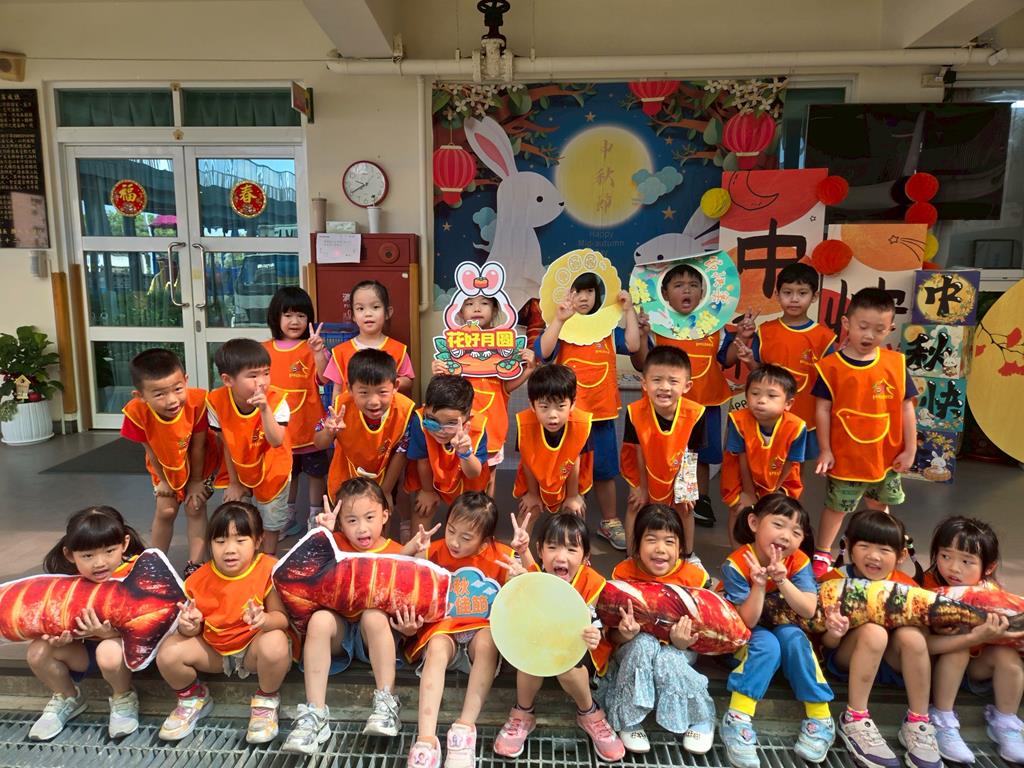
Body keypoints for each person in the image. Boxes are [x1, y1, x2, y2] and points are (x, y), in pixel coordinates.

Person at [282, 478, 430, 755]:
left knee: (373, 615)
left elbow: (413, 600)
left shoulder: (396, 551)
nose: (361, 528)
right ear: (340, 523)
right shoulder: (333, 545)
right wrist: (320, 535)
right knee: (319, 620)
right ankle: (315, 714)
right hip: (339, 631)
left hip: (374, 636)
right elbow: (300, 573)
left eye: (369, 518)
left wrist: (409, 629)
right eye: (351, 520)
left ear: (385, 515)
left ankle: (386, 703)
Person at [404, 492, 529, 768]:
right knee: (436, 646)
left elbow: (531, 597)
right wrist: (415, 556)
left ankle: (464, 729)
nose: (454, 542)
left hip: (479, 634)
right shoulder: (433, 550)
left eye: (466, 537)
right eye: (451, 531)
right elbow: (400, 576)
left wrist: (518, 579)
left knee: (487, 640)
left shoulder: (504, 558)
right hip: (444, 631)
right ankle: (425, 740)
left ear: (485, 541)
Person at [156, 502, 292, 744]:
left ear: (258, 541)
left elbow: (281, 619)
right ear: (210, 543)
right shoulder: (198, 579)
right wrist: (189, 626)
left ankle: (266, 699)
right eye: (220, 541)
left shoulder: (268, 569)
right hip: (214, 653)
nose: (229, 550)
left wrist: (264, 620)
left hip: (253, 650)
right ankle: (193, 697)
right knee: (167, 653)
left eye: (240, 540)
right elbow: (193, 629)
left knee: (276, 642)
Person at [493, 513, 625, 763]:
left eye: (571, 549)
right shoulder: (534, 576)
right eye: (552, 547)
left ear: (585, 557)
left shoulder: (592, 582)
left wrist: (594, 635)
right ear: (540, 551)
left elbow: (596, 627)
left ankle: (589, 713)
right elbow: (525, 595)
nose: (561, 557)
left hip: (576, 653)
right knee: (528, 658)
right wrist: (519, 573)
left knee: (567, 667)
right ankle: (523, 713)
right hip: (539, 649)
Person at [635, 262, 758, 530]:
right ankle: (661, 497)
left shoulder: (713, 326)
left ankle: (699, 499)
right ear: (665, 294)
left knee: (698, 455)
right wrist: (642, 336)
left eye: (693, 285)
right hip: (667, 408)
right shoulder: (658, 325)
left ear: (703, 292)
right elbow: (642, 363)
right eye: (678, 285)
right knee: (665, 453)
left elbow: (727, 359)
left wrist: (743, 337)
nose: (687, 290)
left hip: (705, 404)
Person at [819, 510, 940, 768]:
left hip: (891, 662)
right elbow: (825, 645)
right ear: (849, 547)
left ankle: (918, 722)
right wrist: (834, 632)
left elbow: (925, 641)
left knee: (913, 636)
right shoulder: (834, 582)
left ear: (901, 555)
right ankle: (854, 718)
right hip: (848, 658)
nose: (873, 556)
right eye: (864, 546)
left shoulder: (907, 586)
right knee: (874, 632)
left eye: (884, 549)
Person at [720, 494, 834, 768]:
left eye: (796, 532)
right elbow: (747, 622)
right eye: (779, 524)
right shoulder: (736, 564)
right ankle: (737, 718)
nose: (786, 536)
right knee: (768, 643)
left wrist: (782, 580)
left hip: (783, 627)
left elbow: (808, 608)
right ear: (754, 523)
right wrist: (759, 584)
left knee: (793, 637)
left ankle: (820, 716)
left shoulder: (799, 561)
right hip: (745, 637)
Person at [811, 287, 917, 578]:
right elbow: (822, 410)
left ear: (891, 328)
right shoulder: (830, 367)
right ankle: (822, 553)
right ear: (847, 323)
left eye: (879, 329)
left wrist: (910, 449)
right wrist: (825, 450)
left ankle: (885, 547)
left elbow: (907, 408)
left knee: (879, 505)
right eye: (863, 326)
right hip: (845, 455)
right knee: (837, 506)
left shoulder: (896, 364)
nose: (869, 335)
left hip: (885, 456)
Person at [596, 503, 716, 756]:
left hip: (679, 649)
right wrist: (624, 634)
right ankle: (628, 718)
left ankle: (701, 716)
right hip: (633, 647)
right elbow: (610, 633)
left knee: (668, 657)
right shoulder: (623, 574)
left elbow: (707, 631)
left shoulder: (695, 578)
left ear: (680, 547)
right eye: (651, 540)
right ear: (637, 545)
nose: (660, 549)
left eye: (669, 541)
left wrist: (684, 642)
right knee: (643, 644)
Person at [537, 272, 641, 550]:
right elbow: (543, 352)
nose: (583, 297)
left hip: (601, 414)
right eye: (577, 291)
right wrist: (559, 320)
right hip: (568, 418)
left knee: (605, 470)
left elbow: (633, 345)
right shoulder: (562, 326)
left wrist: (628, 311)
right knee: (565, 469)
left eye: (589, 291)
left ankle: (609, 521)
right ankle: (564, 522)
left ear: (598, 295)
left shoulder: (607, 329)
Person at [27, 507, 146, 741]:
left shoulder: (138, 574)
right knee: (38, 651)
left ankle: (123, 697)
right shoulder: (65, 583)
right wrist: (59, 636)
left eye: (109, 551)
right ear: (70, 554)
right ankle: (68, 697)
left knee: (108, 651)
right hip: (84, 652)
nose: (100, 563)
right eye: (88, 556)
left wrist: (109, 634)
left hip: (126, 653)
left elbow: (150, 629)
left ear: (124, 544)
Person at [922, 516, 1024, 765]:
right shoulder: (925, 588)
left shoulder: (993, 595)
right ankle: (943, 720)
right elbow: (920, 644)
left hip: (977, 668)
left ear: (988, 567)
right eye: (945, 556)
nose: (954, 568)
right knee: (959, 647)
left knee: (1008, 658)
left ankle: (1006, 724)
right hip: (933, 666)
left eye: (966, 561)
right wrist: (970, 636)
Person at [121, 348, 217, 575]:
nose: (172, 400)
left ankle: (196, 565)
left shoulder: (197, 402)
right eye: (159, 394)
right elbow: (151, 452)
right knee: (166, 510)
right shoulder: (136, 413)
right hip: (164, 465)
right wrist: (163, 481)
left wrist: (195, 481)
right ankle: (156, 562)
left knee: (195, 506)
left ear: (186, 380)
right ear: (140, 395)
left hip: (201, 463)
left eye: (177, 389)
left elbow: (199, 446)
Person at [431, 291, 535, 497]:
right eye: (469, 303)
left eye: (484, 303)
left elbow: (505, 387)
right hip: (460, 429)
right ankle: (461, 515)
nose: (477, 308)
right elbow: (444, 389)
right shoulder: (454, 346)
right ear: (459, 311)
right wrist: (438, 371)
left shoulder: (503, 345)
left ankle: (487, 515)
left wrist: (529, 369)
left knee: (489, 477)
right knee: (460, 475)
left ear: (495, 309)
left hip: (493, 426)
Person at [738, 262, 835, 462]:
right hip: (768, 415)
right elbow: (759, 373)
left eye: (802, 293)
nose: (794, 299)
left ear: (814, 296)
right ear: (777, 294)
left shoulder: (824, 338)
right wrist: (749, 361)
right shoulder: (765, 331)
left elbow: (830, 383)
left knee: (797, 465)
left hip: (805, 415)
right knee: (764, 462)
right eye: (787, 292)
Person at [207, 339, 291, 554]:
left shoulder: (277, 400)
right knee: (237, 514)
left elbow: (276, 440)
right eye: (253, 376)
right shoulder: (216, 401)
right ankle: (245, 558)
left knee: (271, 520)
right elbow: (226, 444)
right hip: (240, 468)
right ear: (228, 380)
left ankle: (269, 558)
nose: (262, 382)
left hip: (273, 470)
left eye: (266, 373)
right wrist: (234, 482)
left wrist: (264, 410)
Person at [621, 345, 705, 561]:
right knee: (635, 504)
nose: (664, 387)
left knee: (685, 508)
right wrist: (640, 487)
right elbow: (636, 451)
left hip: (678, 469)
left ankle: (688, 555)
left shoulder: (696, 413)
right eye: (657, 380)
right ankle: (631, 556)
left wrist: (685, 488)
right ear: (644, 383)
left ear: (687, 386)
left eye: (673, 381)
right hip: (644, 467)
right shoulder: (634, 412)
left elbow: (690, 454)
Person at [263, 286, 328, 536]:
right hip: (280, 429)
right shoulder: (264, 350)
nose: (295, 321)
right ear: (275, 317)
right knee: (286, 473)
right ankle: (286, 516)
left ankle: (315, 516)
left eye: (301, 315)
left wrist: (318, 352)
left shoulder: (313, 348)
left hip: (310, 426)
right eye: (288, 315)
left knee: (316, 473)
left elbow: (325, 378)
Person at [315, 349, 415, 509]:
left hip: (383, 476)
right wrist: (328, 432)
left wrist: (386, 490)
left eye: (382, 392)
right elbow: (319, 443)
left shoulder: (404, 411)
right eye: (364, 392)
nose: (373, 401)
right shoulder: (340, 407)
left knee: (377, 515)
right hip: (344, 475)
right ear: (350, 388)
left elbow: (401, 452)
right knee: (344, 516)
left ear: (396, 386)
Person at [720, 365, 807, 547]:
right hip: (743, 475)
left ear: (788, 403)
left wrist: (775, 490)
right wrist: (748, 492)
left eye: (771, 396)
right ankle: (737, 555)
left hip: (781, 478)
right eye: (755, 393)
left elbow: (791, 462)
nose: (761, 400)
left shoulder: (797, 427)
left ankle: (769, 553)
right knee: (739, 509)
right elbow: (741, 457)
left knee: (777, 513)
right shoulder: (738, 420)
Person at [512, 363, 593, 532]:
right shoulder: (525, 425)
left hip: (568, 475)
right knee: (529, 510)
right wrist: (533, 494)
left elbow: (574, 462)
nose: (553, 415)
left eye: (560, 406)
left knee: (574, 511)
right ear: (532, 405)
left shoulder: (582, 425)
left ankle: (576, 545)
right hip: (537, 472)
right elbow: (527, 461)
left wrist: (572, 496)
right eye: (544, 407)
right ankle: (520, 547)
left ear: (572, 404)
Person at [405, 375, 489, 535]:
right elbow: (423, 461)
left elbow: (474, 474)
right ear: (425, 409)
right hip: (431, 476)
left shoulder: (478, 428)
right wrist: (427, 491)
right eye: (433, 421)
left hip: (466, 481)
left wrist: (465, 453)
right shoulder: (420, 421)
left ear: (468, 417)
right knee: (422, 508)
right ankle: (416, 547)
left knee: (470, 521)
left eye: (451, 423)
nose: (441, 431)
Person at [318, 280, 414, 395]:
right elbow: (337, 389)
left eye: (375, 307)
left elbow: (409, 381)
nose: (368, 313)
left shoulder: (399, 349)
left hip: (386, 407)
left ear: (388, 312)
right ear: (352, 315)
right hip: (350, 407)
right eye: (360, 308)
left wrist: (387, 382)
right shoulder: (340, 352)